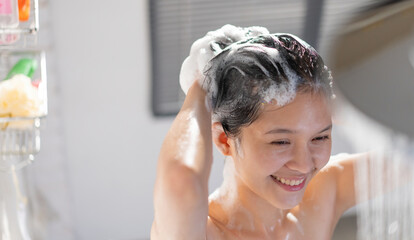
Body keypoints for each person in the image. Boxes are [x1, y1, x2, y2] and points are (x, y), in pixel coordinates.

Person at [151, 25, 366, 240]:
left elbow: (398, 152)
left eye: (319, 137)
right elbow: (181, 181)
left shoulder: (322, 197)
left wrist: (347, 109)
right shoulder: (203, 232)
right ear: (224, 139)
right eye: (281, 142)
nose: (304, 164)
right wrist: (202, 86)